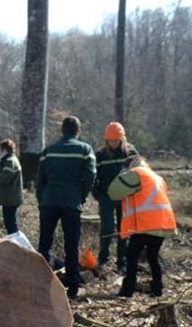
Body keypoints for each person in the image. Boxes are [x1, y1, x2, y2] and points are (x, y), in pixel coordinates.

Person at [36, 116, 96, 300]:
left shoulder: (49, 151)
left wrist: (42, 199)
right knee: (72, 244)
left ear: (62, 130)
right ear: (78, 131)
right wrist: (82, 195)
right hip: (71, 202)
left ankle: (42, 283)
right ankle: (72, 286)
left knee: (45, 243)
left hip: (49, 201)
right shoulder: (85, 150)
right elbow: (91, 175)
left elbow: (40, 180)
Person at [108, 157, 177, 297]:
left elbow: (113, 192)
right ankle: (158, 289)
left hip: (146, 223)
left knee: (131, 256)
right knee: (153, 257)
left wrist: (122, 174)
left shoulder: (136, 173)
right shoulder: (156, 177)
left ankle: (128, 290)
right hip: (162, 223)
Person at [92, 122, 139, 272]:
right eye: (110, 141)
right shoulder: (100, 155)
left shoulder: (130, 153)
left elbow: (139, 173)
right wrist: (97, 194)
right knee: (106, 228)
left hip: (125, 197)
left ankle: (122, 262)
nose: (112, 143)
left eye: (115, 140)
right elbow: (93, 176)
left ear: (122, 139)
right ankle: (103, 259)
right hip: (106, 197)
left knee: (123, 229)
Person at [0, 139, 23, 235]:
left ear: (4, 149)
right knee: (9, 222)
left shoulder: (10, 161)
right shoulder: (10, 159)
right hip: (10, 198)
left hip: (11, 198)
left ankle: (16, 243)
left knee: (11, 223)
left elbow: (5, 178)